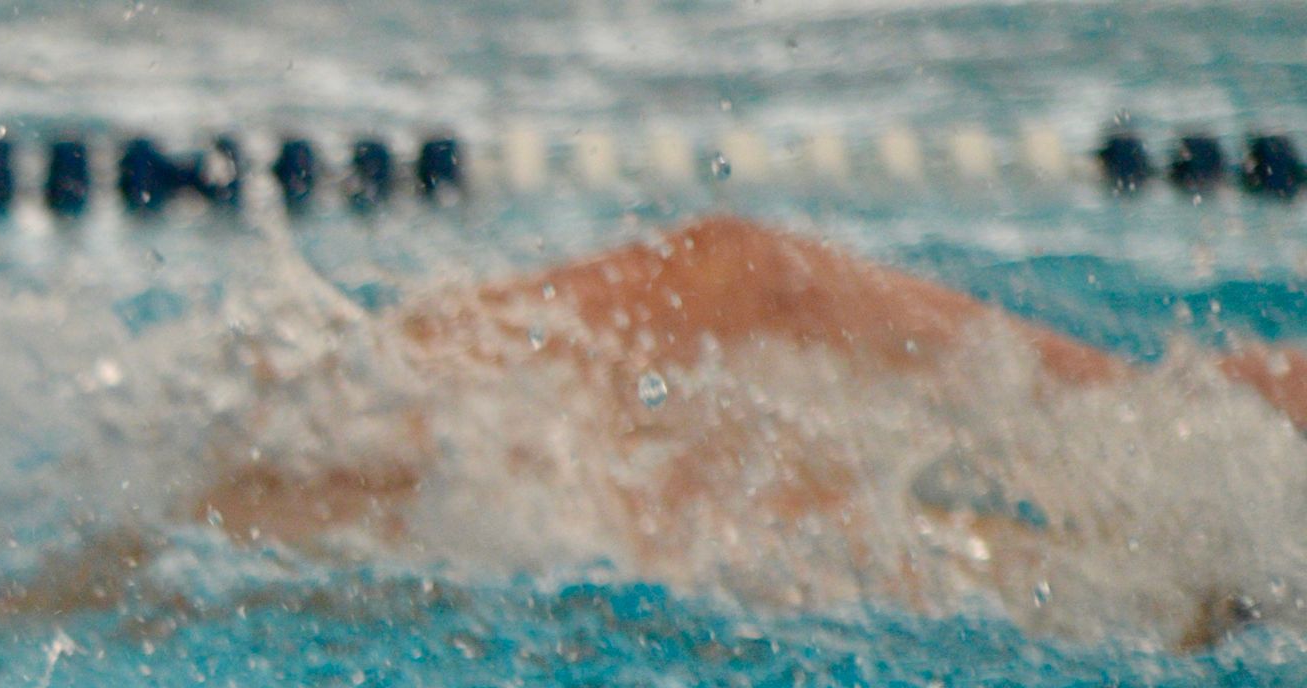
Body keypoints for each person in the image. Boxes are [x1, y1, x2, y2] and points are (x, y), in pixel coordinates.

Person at [186, 214, 1307, 646]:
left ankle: (249, 487)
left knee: (742, 298)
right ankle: (259, 493)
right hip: (1224, 513)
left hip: (1227, 490)